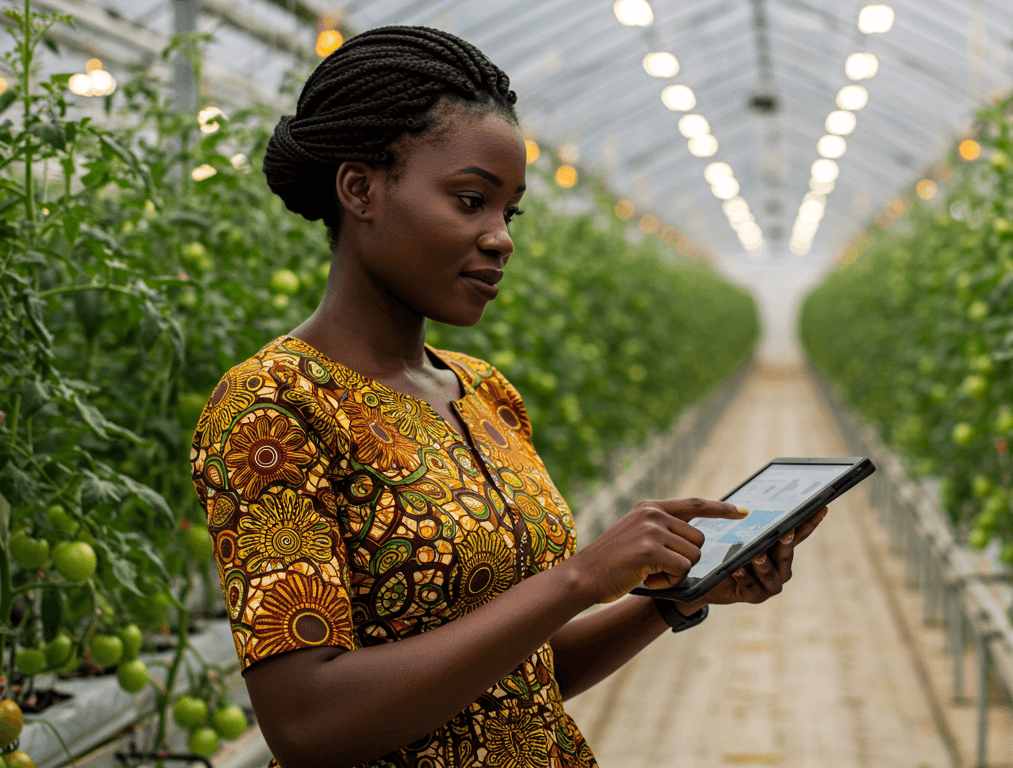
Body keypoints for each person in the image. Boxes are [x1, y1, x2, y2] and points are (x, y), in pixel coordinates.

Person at [189, 26, 828, 768]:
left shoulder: (484, 394)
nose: (500, 239)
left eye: (508, 213)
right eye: (470, 201)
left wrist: (672, 599)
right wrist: (581, 577)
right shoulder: (275, 406)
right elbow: (308, 726)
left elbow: (523, 673)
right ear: (360, 189)